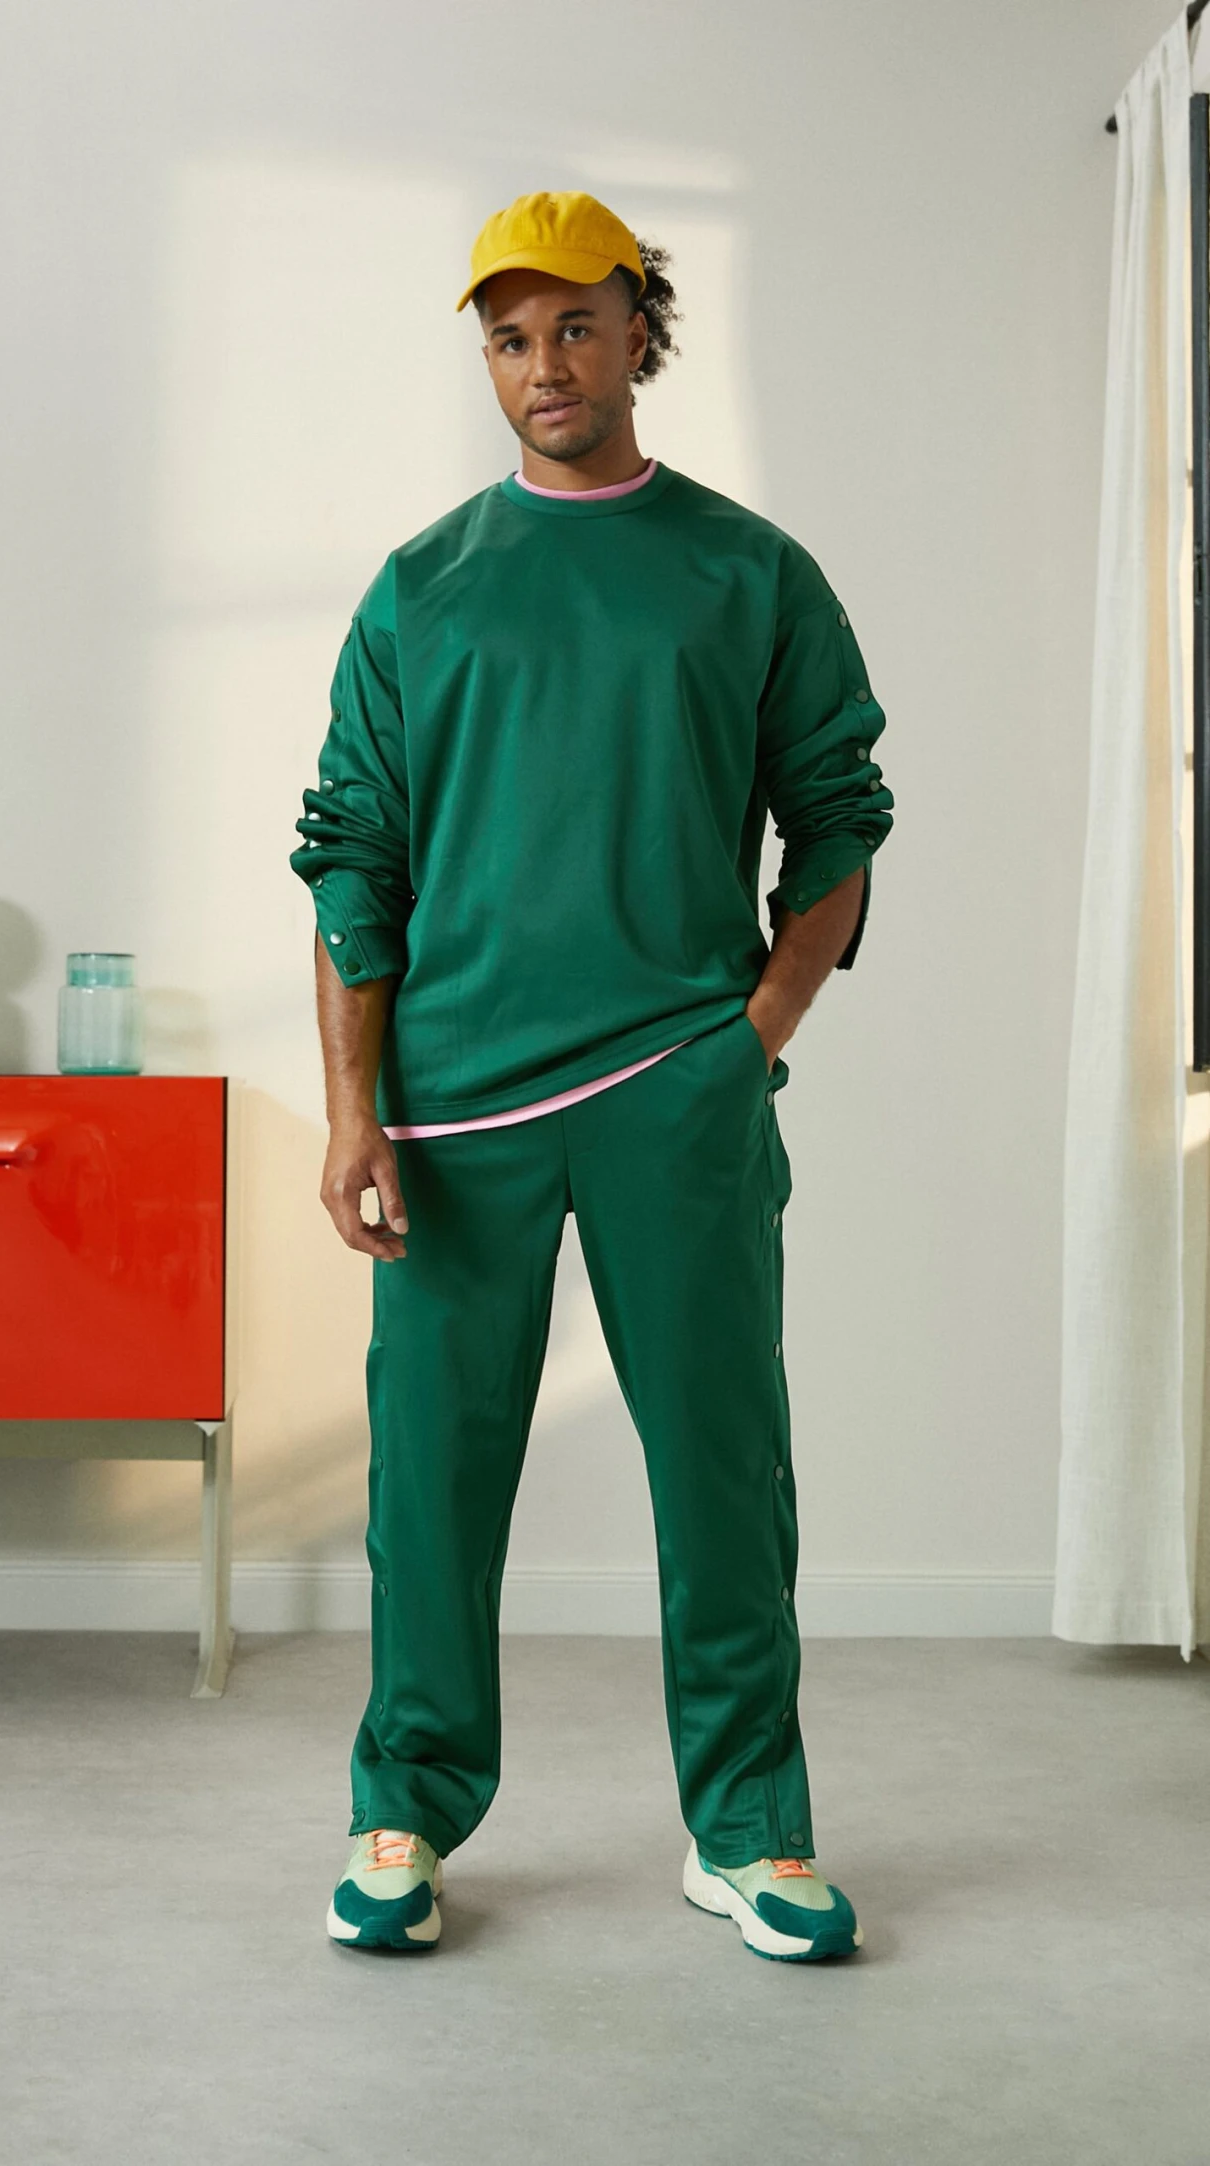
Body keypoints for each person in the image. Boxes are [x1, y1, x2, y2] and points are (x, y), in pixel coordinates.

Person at [289, 189, 893, 1962]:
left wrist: (751, 1035)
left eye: (574, 323)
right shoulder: (421, 588)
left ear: (641, 329)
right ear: (486, 359)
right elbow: (352, 859)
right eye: (509, 335)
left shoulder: (749, 573)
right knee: (430, 1481)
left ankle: (751, 1829)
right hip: (453, 1106)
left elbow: (840, 815)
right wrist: (351, 1111)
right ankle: (404, 1810)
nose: (543, 362)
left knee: (723, 1469)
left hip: (672, 1087)